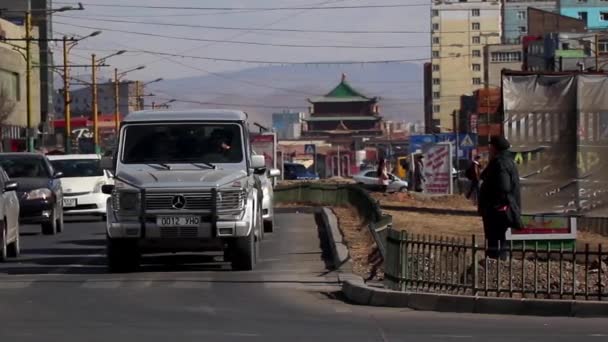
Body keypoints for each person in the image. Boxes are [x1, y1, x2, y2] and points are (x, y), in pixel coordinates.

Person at [478, 136, 522, 259]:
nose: (489, 149)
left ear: (495, 148)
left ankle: (495, 266)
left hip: (496, 211)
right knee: (498, 241)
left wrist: (495, 205)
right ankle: (496, 264)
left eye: (490, 146)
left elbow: (504, 187)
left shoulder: (500, 163)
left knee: (496, 241)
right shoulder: (505, 161)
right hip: (498, 209)